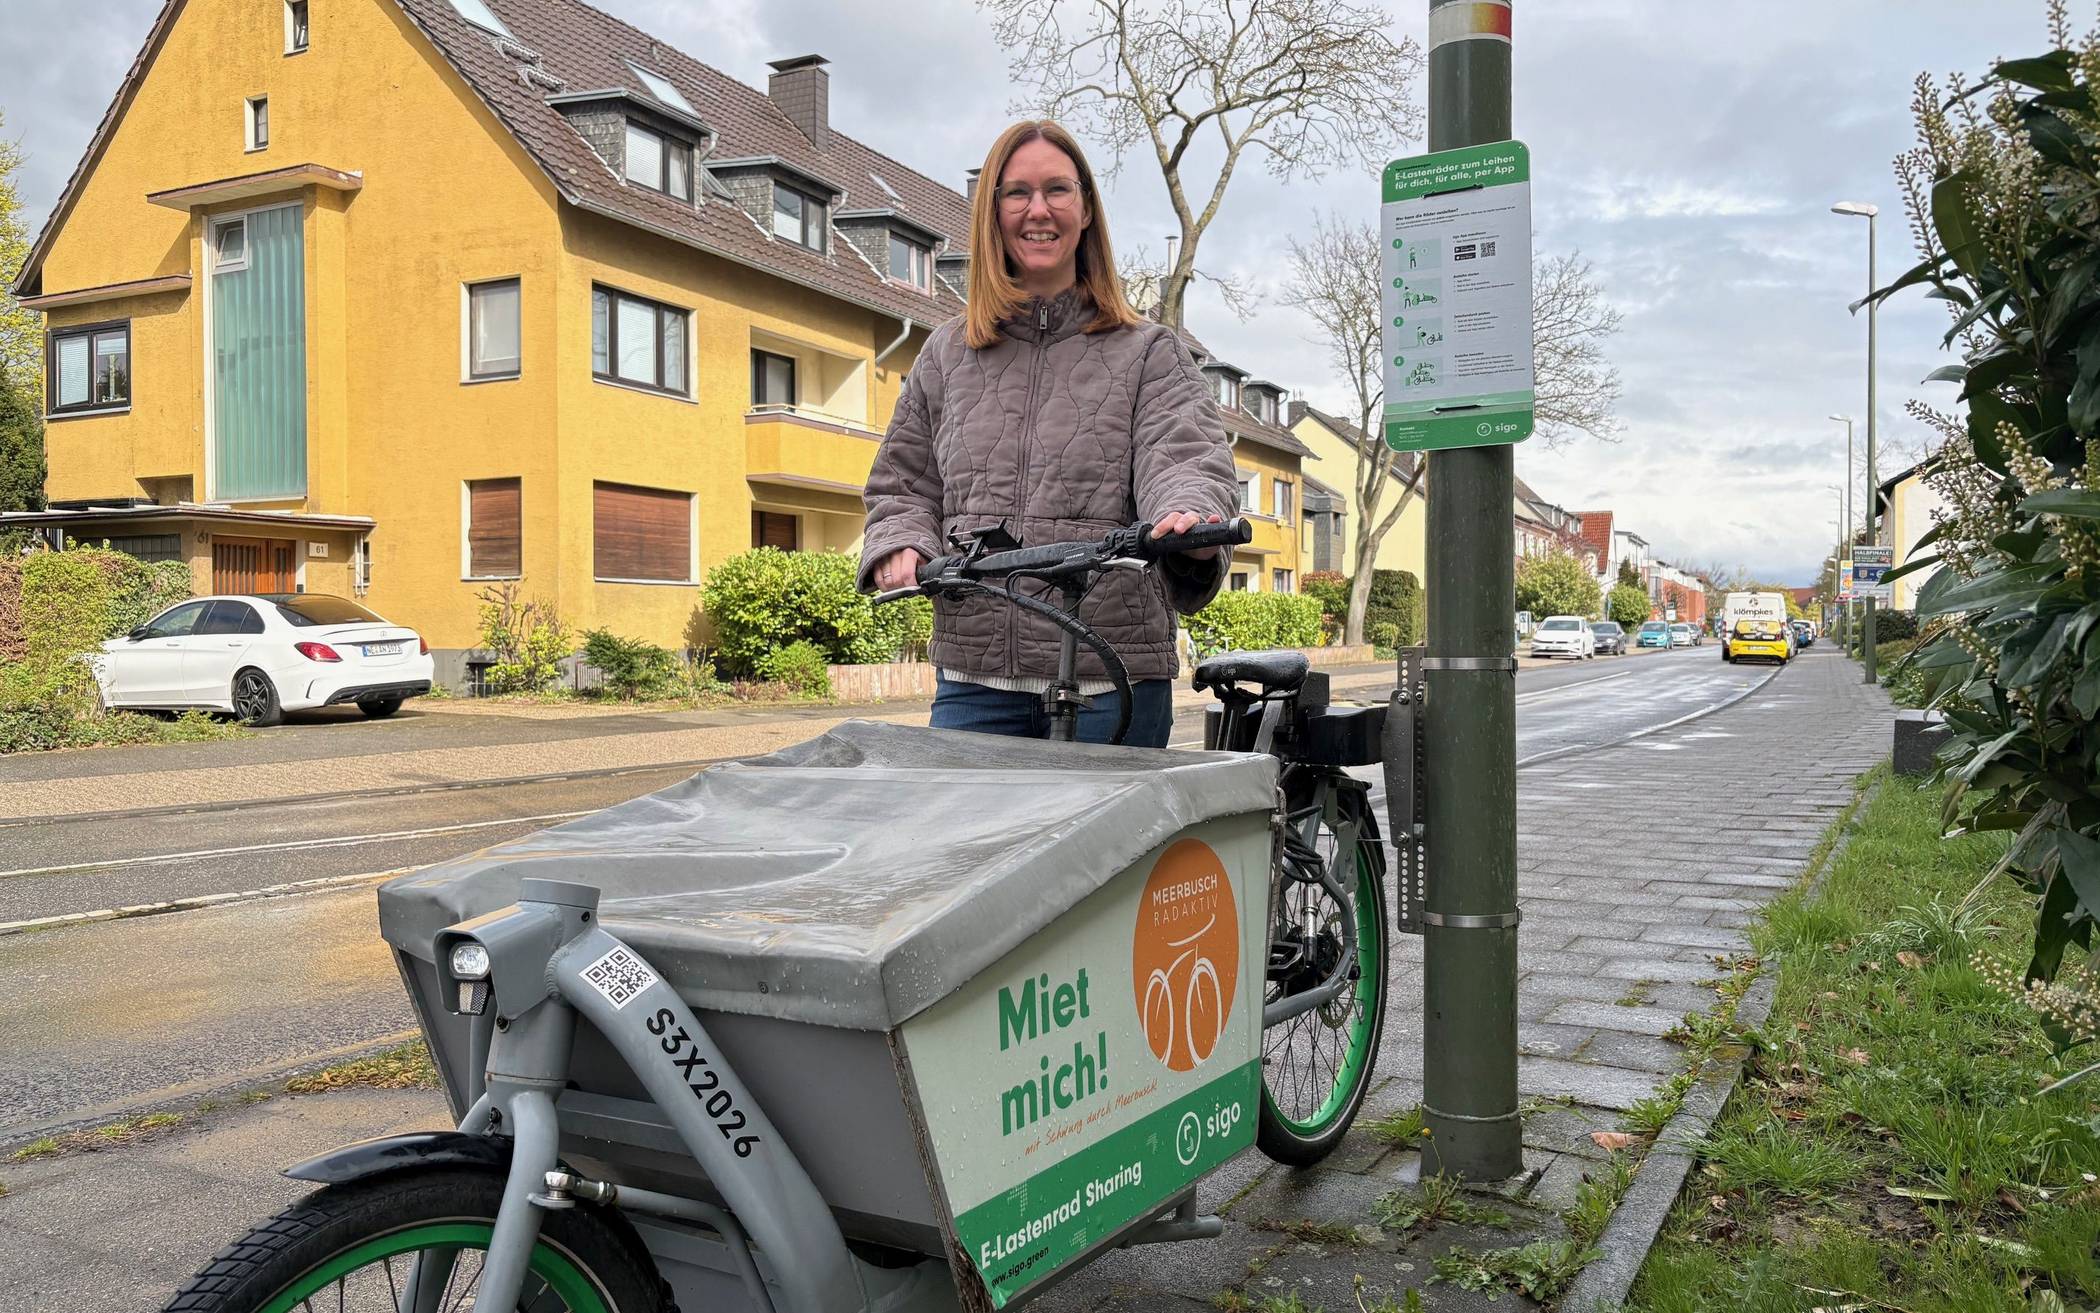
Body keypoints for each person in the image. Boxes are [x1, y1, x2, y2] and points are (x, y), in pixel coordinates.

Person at [860, 120, 1237, 748]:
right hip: (976, 683)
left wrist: (1188, 515)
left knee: (1117, 852)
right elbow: (902, 483)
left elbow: (1185, 452)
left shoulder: (1149, 352)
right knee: (966, 849)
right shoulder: (946, 354)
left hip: (1109, 680)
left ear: (1085, 210)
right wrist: (901, 542)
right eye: (1017, 193)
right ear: (992, 212)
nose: (1038, 210)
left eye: (1057, 190)